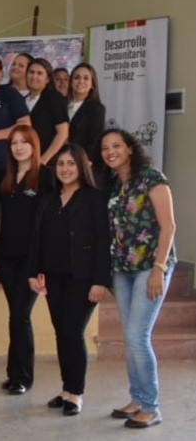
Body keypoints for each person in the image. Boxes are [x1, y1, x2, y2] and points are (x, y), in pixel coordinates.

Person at [99, 129, 176, 429]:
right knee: (130, 337)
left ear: (130, 149)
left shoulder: (152, 177)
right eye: (105, 148)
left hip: (150, 266)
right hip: (122, 269)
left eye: (116, 145)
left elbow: (168, 226)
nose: (110, 152)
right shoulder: (114, 184)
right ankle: (138, 398)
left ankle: (151, 407)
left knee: (137, 337)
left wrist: (158, 268)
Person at [28, 145, 110, 417]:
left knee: (73, 332)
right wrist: (33, 271)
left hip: (83, 278)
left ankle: (76, 393)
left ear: (82, 168)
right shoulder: (49, 199)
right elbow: (37, 238)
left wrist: (100, 280)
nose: (65, 169)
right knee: (61, 332)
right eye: (61, 163)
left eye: (71, 164)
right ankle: (66, 389)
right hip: (54, 276)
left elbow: (102, 242)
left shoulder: (95, 198)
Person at [0, 125, 53, 395]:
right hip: (6, 256)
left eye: (24, 142)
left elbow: (51, 224)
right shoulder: (7, 177)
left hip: (32, 260)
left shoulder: (45, 176)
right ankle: (14, 373)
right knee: (15, 316)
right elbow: (1, 217)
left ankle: (23, 377)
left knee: (20, 316)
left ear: (34, 145)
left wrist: (42, 265)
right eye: (14, 143)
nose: (18, 147)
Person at [25, 58, 69, 164]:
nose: (34, 76)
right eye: (31, 72)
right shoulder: (22, 100)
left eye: (40, 73)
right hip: (26, 160)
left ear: (48, 79)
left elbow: (63, 133)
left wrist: (43, 160)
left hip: (46, 163)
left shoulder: (54, 99)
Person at [67, 63, 106, 152]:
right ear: (71, 82)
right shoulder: (61, 104)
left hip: (80, 160)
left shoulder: (97, 109)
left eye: (86, 78)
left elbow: (95, 141)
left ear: (92, 84)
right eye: (77, 77)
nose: (81, 81)